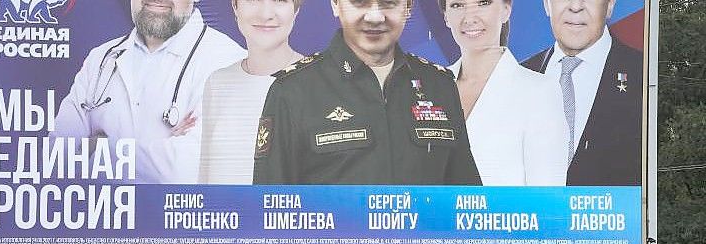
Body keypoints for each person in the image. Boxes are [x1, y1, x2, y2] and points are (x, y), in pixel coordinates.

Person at [252, 0, 481, 185]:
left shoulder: (440, 85)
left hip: (424, 243)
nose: (375, 16)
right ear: (335, 4)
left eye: (388, 3)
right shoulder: (292, 91)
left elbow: (467, 202)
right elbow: (268, 212)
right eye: (359, 2)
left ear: (408, 7)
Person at [51, 0, 246, 184]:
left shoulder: (230, 62)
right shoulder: (100, 58)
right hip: (103, 217)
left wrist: (95, 148)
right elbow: (56, 159)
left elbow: (186, 171)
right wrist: (156, 155)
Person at [441, 0, 567, 186]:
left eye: (483, 3)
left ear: (506, 11)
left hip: (507, 214)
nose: (469, 17)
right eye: (457, 5)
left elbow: (547, 198)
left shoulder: (539, 92)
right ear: (446, 17)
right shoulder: (431, 88)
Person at [522, 0, 642, 186]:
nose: (576, 6)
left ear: (610, 5)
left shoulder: (642, 74)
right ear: (546, 4)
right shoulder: (518, 77)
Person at [199, 0, 304, 184]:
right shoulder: (217, 83)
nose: (265, 14)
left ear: (295, 10)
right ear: (234, 6)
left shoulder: (322, 83)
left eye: (279, 0)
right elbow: (206, 184)